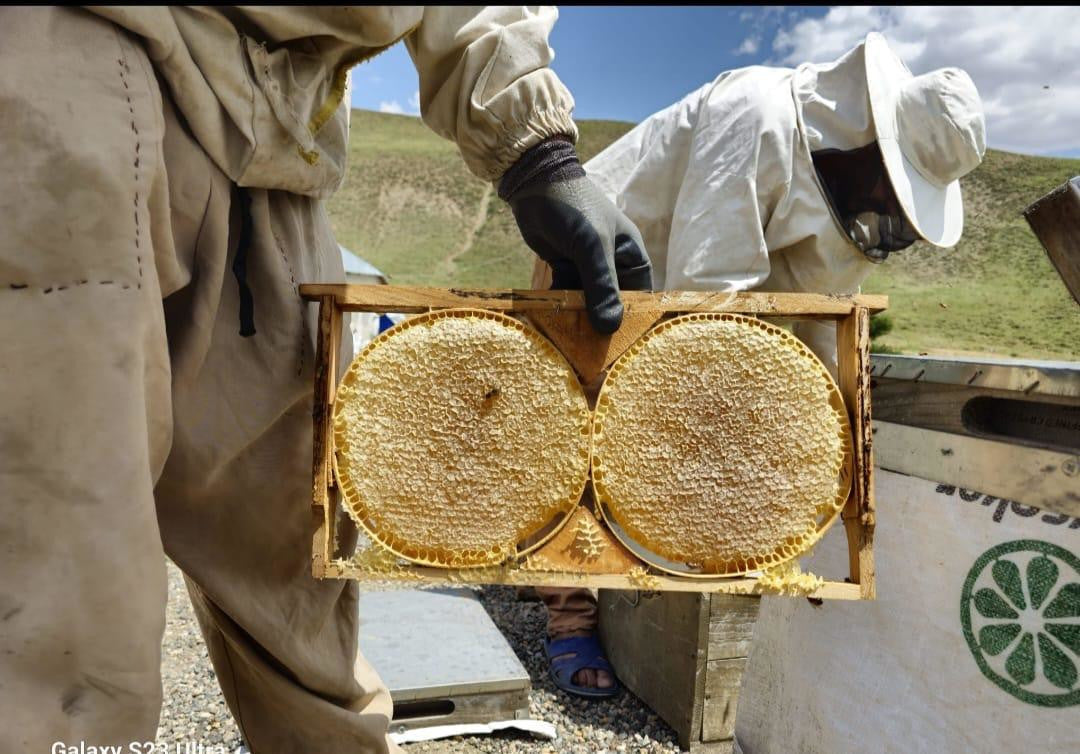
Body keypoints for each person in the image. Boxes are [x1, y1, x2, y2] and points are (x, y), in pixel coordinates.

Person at [0, 7, 649, 754]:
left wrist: (537, 152)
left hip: (282, 139)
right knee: (61, 592)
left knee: (295, 567)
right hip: (75, 61)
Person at [533, 31, 985, 696]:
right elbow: (706, 302)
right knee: (576, 428)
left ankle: (654, 587)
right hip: (595, 258)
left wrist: (841, 449)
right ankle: (567, 616)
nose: (888, 214)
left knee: (705, 442)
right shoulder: (758, 116)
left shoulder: (847, 191)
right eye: (893, 193)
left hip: (689, 297)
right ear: (871, 144)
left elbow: (826, 328)